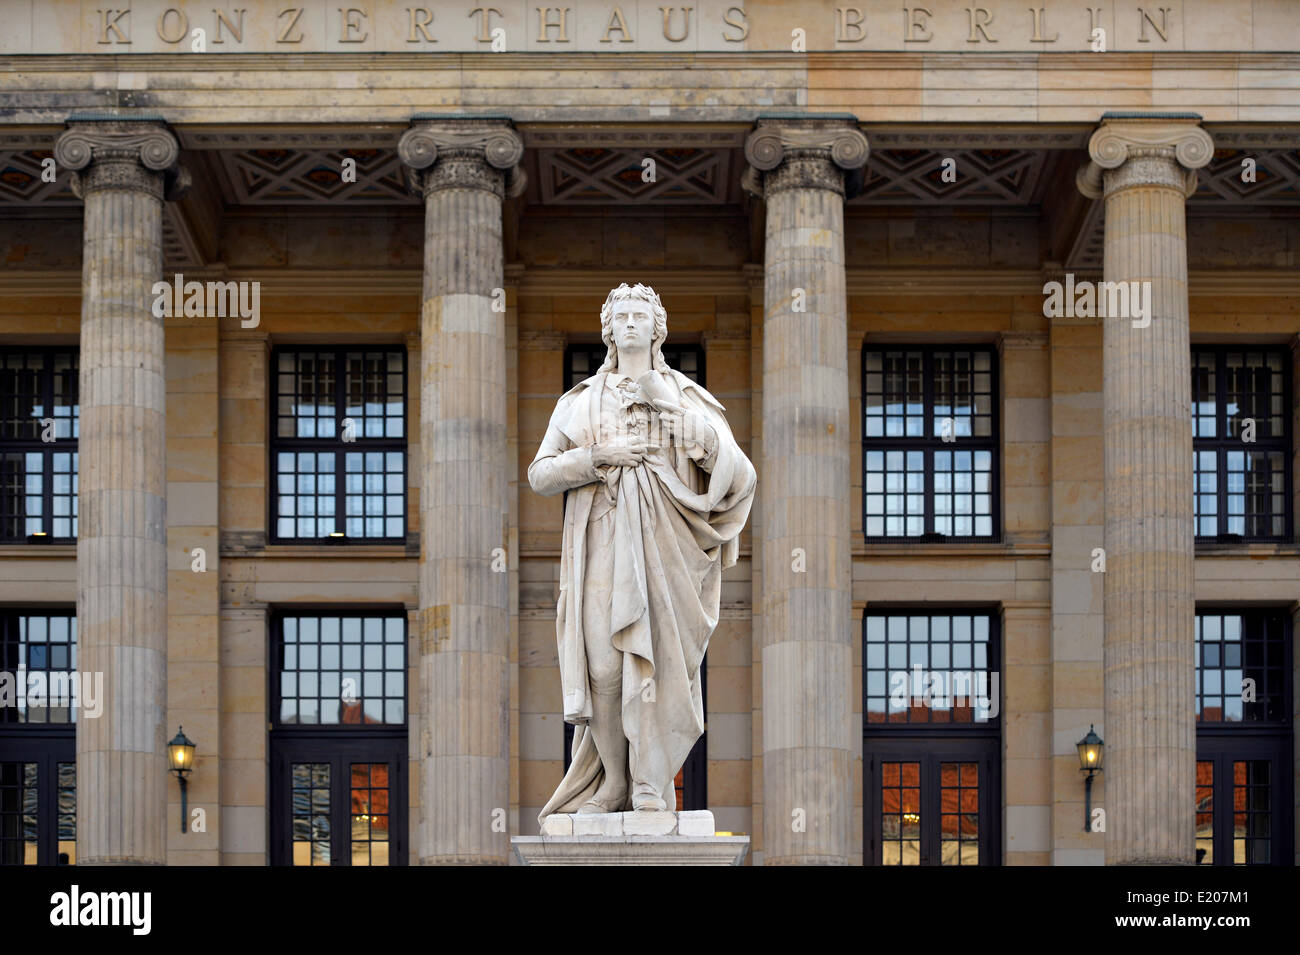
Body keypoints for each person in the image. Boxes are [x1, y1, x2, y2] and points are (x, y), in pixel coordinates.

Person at [529, 283, 755, 817]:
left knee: (660, 670)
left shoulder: (686, 395)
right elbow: (540, 474)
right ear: (608, 329)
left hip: (665, 551)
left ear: (658, 328)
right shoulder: (579, 402)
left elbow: (737, 473)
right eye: (621, 316)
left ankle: (651, 783)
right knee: (604, 670)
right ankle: (613, 782)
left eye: (640, 315)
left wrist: (679, 419)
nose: (630, 323)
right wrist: (596, 455)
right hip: (601, 544)